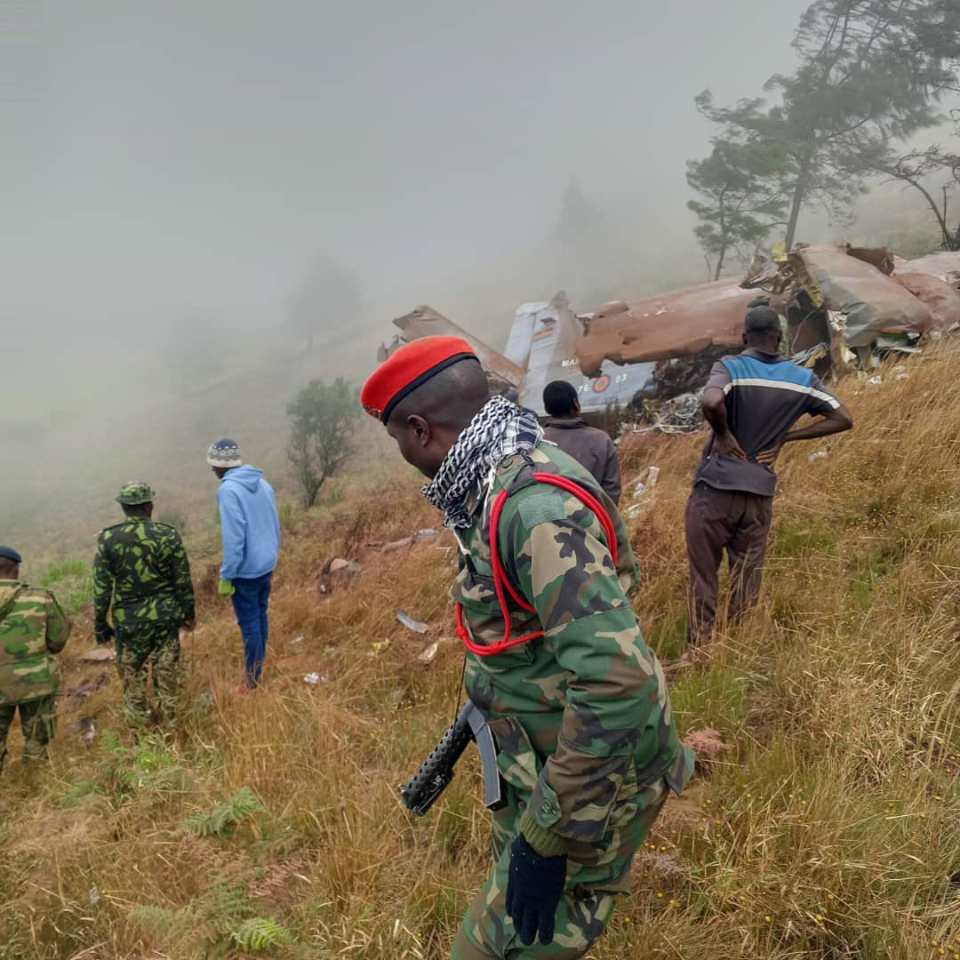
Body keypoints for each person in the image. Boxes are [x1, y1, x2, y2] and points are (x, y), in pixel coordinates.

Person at [361, 337, 692, 960]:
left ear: (420, 429)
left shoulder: (535, 509)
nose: (402, 456)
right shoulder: (492, 480)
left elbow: (620, 681)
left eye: (397, 441)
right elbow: (526, 633)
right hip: (540, 764)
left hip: (593, 784)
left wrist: (545, 834)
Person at [686, 305, 853, 647]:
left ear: (745, 337)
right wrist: (786, 438)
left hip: (715, 488)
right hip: (759, 493)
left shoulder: (730, 366)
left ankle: (701, 651)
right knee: (747, 578)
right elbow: (843, 418)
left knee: (704, 576)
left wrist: (723, 434)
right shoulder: (803, 378)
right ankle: (737, 650)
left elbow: (712, 401)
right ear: (779, 337)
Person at [93, 483, 195, 728]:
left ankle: (142, 741)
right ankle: (172, 734)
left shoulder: (108, 538)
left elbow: (101, 588)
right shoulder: (168, 534)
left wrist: (100, 625)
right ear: (149, 506)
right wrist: (189, 613)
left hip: (129, 624)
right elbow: (182, 579)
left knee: (133, 681)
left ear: (124, 508)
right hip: (166, 619)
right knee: (167, 677)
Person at [207, 438, 280, 689]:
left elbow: (234, 537)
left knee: (250, 625)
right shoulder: (262, 483)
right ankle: (258, 670)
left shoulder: (228, 491)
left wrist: (227, 574)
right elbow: (274, 524)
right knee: (260, 617)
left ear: (221, 465)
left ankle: (252, 682)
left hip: (245, 572)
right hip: (266, 565)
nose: (212, 470)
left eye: (213, 465)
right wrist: (272, 555)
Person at [0, 545, 71, 771]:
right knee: (37, 740)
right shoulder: (40, 597)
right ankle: (34, 785)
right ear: (16, 570)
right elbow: (58, 641)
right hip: (36, 683)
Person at [541, 380, 621, 503]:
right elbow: (612, 490)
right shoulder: (601, 440)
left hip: (547, 518)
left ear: (547, 408)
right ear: (576, 404)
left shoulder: (537, 441)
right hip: (593, 518)